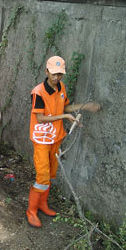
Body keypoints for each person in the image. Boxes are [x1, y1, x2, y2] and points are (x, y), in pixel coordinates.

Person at [27, 56, 101, 227]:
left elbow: (65, 107)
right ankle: (31, 210)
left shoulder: (61, 88)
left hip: (56, 137)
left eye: (60, 74)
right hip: (41, 139)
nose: (56, 78)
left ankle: (42, 204)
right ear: (46, 72)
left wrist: (84, 107)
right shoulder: (38, 92)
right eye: (53, 74)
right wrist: (65, 116)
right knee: (42, 176)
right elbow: (40, 118)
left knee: (51, 173)